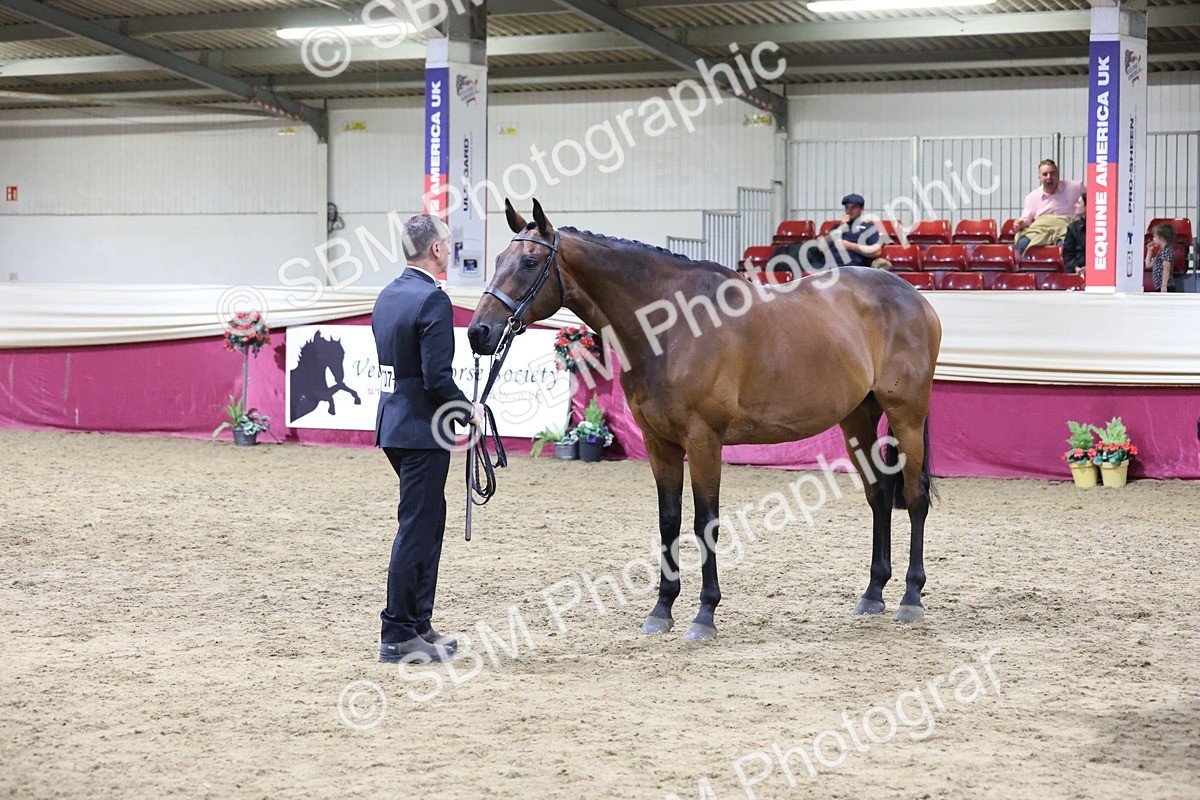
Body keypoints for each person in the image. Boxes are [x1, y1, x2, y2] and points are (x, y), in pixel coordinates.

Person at [373, 213, 482, 664]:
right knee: (417, 529)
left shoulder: (389, 295)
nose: (451, 249)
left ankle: (419, 623)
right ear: (436, 249)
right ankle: (398, 632)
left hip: (395, 425)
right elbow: (437, 379)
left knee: (427, 522)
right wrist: (468, 411)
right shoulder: (432, 301)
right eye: (449, 242)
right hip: (423, 430)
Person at [773, 193, 881, 273]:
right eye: (847, 207)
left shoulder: (868, 228)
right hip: (826, 265)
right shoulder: (837, 227)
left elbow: (876, 251)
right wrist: (840, 229)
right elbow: (821, 247)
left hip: (850, 266)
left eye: (853, 207)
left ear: (861, 209)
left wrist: (851, 246)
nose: (849, 211)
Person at [1014, 159, 1086, 257]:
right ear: (1039, 178)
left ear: (1058, 175)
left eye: (1052, 173)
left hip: (1066, 228)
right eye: (1045, 174)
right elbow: (1026, 219)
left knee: (1066, 246)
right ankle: (1026, 270)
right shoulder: (1032, 197)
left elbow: (1093, 202)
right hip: (1040, 229)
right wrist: (1020, 224)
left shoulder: (1076, 187)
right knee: (1022, 243)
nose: (1049, 177)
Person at [1146, 222, 1178, 293]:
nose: (1153, 239)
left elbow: (1166, 268)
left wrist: (1164, 286)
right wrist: (1149, 251)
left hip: (1166, 287)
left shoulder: (1166, 251)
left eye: (1155, 237)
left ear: (1162, 238)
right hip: (1159, 286)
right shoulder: (1160, 252)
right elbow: (1148, 265)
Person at [1062, 193, 1087, 274]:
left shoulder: (1101, 227)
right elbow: (1067, 255)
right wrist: (1076, 268)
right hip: (1076, 269)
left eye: (1079, 203)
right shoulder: (1073, 227)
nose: (1075, 205)